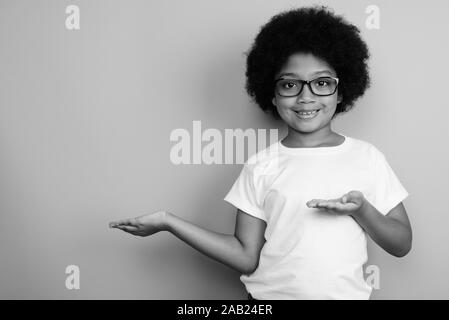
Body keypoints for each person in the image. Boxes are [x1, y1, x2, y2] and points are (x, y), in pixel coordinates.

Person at [109, 6, 412, 300]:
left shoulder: (367, 158)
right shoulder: (261, 165)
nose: (306, 97)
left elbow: (401, 243)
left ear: (341, 90)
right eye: (290, 84)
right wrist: (168, 222)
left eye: (321, 83)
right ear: (272, 92)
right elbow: (245, 256)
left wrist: (362, 210)